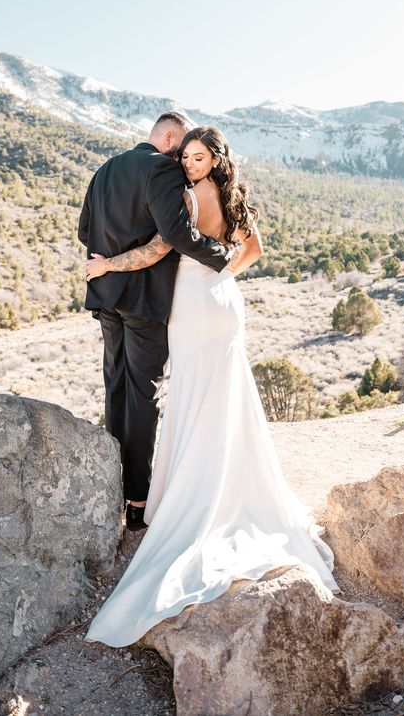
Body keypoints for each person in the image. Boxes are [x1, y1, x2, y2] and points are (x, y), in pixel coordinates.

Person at [83, 125, 340, 648]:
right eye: (188, 156)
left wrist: (107, 264)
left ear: (212, 158)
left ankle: (176, 494)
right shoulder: (231, 196)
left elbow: (160, 247)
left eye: (198, 157)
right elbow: (255, 249)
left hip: (191, 309)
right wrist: (223, 273)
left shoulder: (174, 189)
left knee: (186, 396)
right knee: (224, 397)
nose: (189, 163)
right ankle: (218, 481)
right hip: (222, 304)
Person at [78, 111, 234, 532]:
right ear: (168, 137)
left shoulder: (106, 169)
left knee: (116, 388)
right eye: (181, 147)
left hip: (105, 295)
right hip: (144, 300)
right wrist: (221, 257)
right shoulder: (162, 168)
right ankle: (137, 501)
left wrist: (109, 259)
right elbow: (178, 232)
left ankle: (111, 488)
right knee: (144, 395)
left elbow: (84, 230)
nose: (182, 159)